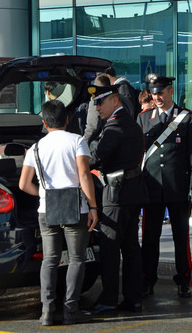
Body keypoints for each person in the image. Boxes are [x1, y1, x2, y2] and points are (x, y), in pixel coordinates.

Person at [18, 99, 98, 326]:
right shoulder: (77, 141)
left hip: (46, 209)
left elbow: (24, 184)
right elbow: (84, 175)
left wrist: (43, 194)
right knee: (76, 259)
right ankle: (71, 310)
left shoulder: (35, 148)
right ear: (67, 119)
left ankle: (47, 312)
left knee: (50, 260)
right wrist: (92, 207)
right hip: (76, 207)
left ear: (44, 122)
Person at [137, 73, 192, 299]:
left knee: (180, 238)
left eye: (161, 93)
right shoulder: (144, 119)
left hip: (178, 188)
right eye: (154, 94)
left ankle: (184, 280)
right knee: (149, 238)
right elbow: (139, 155)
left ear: (171, 91)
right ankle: (148, 280)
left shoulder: (187, 118)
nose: (157, 97)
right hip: (152, 188)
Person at [87, 84, 147, 314]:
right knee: (131, 248)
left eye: (101, 102)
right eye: (95, 103)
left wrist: (85, 147)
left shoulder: (115, 125)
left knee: (111, 247)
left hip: (117, 194)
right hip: (130, 192)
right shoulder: (124, 121)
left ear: (115, 100)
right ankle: (133, 299)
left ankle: (109, 299)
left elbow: (95, 158)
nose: (97, 107)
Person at [83, 74, 111, 145]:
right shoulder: (117, 97)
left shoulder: (96, 99)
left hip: (102, 142)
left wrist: (84, 142)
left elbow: (93, 125)